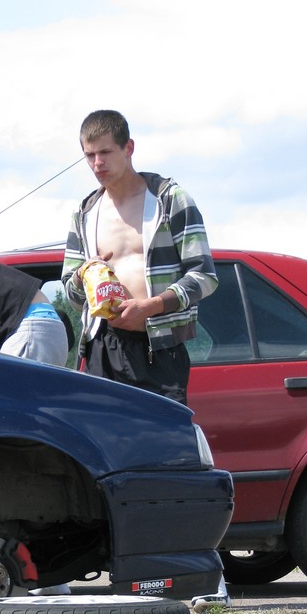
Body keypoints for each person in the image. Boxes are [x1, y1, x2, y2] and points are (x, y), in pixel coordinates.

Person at [61, 109, 217, 403]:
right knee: (103, 432)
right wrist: (84, 275)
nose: (97, 163)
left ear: (128, 148)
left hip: (159, 346)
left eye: (105, 152)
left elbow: (204, 276)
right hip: (102, 345)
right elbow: (72, 292)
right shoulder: (84, 213)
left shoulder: (169, 199)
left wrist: (152, 306)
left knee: (162, 432)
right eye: (89, 155)